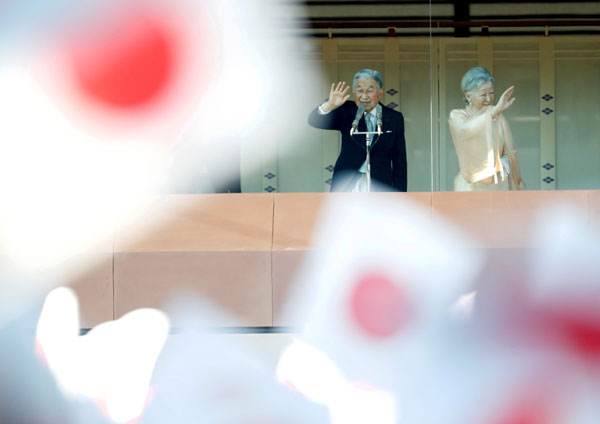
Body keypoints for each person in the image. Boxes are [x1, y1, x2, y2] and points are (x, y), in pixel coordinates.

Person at [308, 69, 407, 192]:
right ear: (354, 92)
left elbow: (399, 161)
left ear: (380, 93)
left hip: (380, 183)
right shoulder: (346, 110)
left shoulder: (394, 118)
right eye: (360, 90)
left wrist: (400, 194)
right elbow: (314, 121)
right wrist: (330, 105)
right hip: (347, 182)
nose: (364, 96)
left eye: (370, 90)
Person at [449, 67, 525, 191]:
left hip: (499, 186)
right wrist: (494, 112)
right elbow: (467, 129)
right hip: (470, 187)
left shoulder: (499, 118)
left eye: (492, 93)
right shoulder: (457, 116)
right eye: (483, 95)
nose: (489, 99)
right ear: (468, 96)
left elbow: (511, 155)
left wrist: (518, 185)